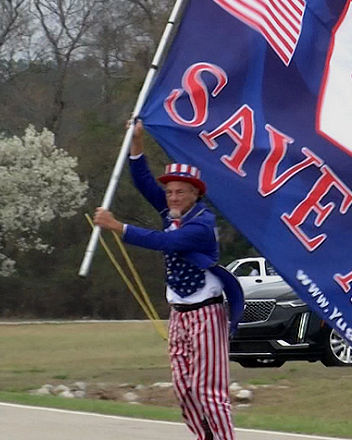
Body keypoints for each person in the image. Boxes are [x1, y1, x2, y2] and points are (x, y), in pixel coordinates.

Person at [94, 120, 243, 440]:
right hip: (179, 314)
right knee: (184, 391)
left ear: (194, 194)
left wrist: (118, 228)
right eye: (170, 191)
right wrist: (137, 142)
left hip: (207, 313)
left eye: (180, 192)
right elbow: (142, 179)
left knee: (209, 392)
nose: (172, 197)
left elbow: (167, 243)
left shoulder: (202, 224)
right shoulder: (170, 211)